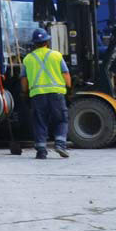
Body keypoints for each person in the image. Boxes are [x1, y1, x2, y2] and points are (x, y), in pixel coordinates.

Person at [22, 27, 71, 159]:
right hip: (56, 94)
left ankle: (41, 150)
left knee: (40, 121)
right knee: (61, 120)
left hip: (37, 95)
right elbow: (66, 74)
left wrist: (25, 93)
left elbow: (24, 79)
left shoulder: (28, 59)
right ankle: (60, 144)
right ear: (47, 42)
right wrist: (69, 87)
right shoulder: (56, 55)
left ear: (34, 43)